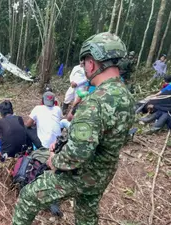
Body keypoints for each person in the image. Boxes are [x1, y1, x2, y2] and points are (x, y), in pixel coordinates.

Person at [13, 32, 135, 225]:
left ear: (92, 63)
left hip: (82, 174)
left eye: (84, 62)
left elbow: (76, 154)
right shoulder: (126, 96)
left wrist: (56, 161)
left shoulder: (95, 102)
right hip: (104, 172)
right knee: (86, 213)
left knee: (28, 197)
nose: (84, 67)